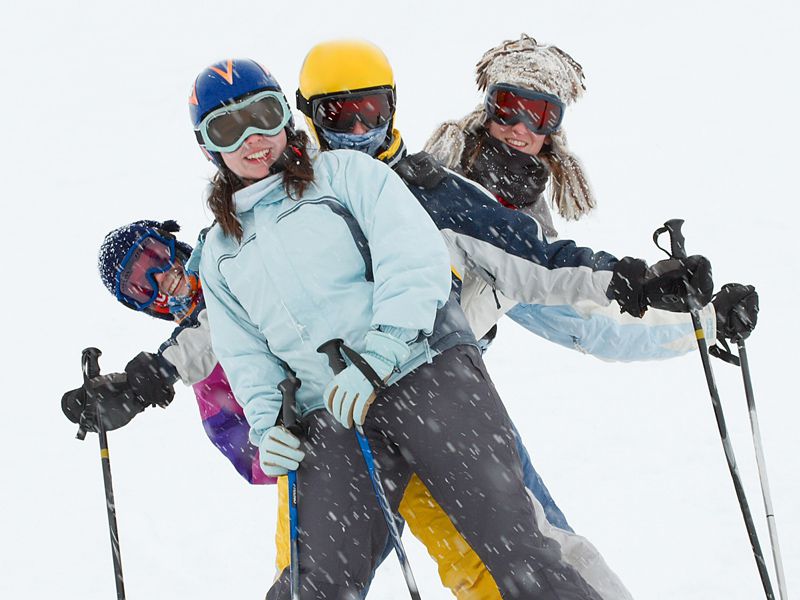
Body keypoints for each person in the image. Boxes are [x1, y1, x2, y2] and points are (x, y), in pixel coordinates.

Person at [189, 57, 713, 599]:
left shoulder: (349, 177)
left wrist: (382, 351)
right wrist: (266, 423)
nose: (253, 138)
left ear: (285, 118)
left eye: (264, 116)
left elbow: (418, 259)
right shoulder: (221, 251)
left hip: (424, 373)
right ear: (208, 146)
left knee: (512, 547)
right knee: (315, 584)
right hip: (334, 410)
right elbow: (243, 349)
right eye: (228, 128)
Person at [61, 219, 273, 485]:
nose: (160, 278)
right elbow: (253, 461)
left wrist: (159, 372)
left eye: (154, 256)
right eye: (141, 286)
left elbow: (223, 313)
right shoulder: (206, 374)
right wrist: (283, 447)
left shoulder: (230, 244)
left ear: (170, 242)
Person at [425, 33, 594, 240]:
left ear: (550, 134)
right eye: (508, 108)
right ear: (488, 115)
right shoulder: (440, 175)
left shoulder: (539, 227)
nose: (520, 128)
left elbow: (544, 269)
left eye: (538, 116)